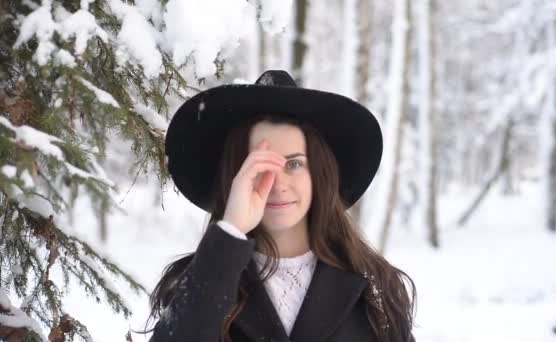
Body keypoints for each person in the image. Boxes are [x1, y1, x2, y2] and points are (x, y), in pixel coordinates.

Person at [146, 70, 416, 342]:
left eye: (294, 164)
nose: (276, 184)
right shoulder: (195, 281)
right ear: (235, 175)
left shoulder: (375, 286)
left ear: (319, 174)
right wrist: (230, 231)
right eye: (258, 165)